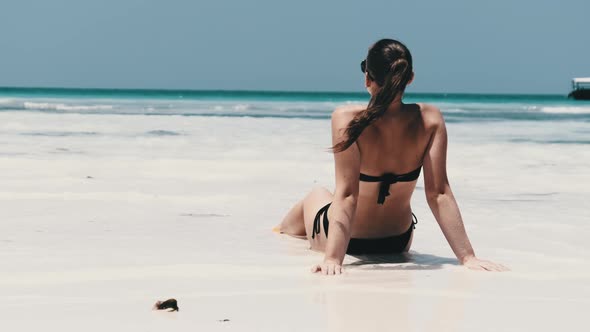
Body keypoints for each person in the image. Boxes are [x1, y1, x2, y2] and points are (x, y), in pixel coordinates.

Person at [276, 39, 508, 275]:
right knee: (325, 196)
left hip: (349, 243)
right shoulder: (430, 119)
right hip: (398, 241)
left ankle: (277, 234)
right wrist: (467, 257)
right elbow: (438, 193)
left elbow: (347, 196)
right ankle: (280, 232)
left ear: (367, 78)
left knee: (316, 195)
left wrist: (333, 259)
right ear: (410, 78)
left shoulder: (347, 119)